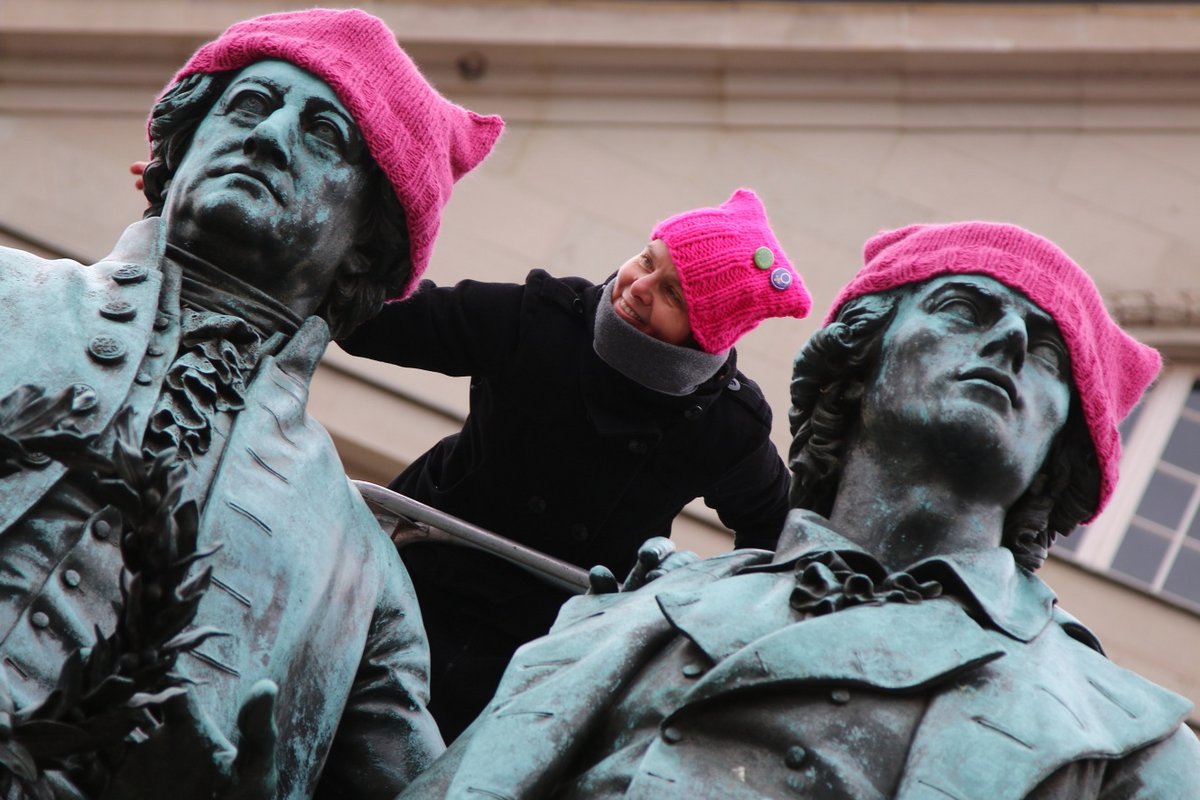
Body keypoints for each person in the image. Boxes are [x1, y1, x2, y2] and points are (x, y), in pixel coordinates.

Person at [399, 221, 1200, 799]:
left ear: (1063, 447)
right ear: (859, 359)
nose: (1011, 346)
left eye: (1050, 350)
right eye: (963, 308)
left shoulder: (1132, 741)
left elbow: (761, 508)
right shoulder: (624, 618)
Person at [0, 8, 502, 798]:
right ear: (179, 146)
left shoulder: (360, 574)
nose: (268, 137)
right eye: (246, 105)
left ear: (368, 242)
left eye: (323, 135)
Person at [338, 187, 812, 740]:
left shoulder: (726, 424)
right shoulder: (541, 317)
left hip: (542, 652)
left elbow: (777, 537)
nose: (637, 287)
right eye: (647, 260)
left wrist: (709, 616)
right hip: (411, 572)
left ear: (706, 333)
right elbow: (377, 323)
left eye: (672, 295)